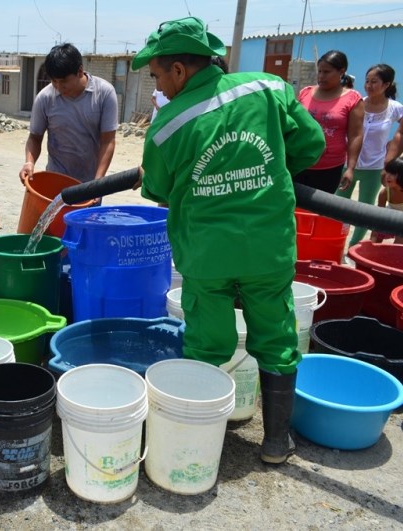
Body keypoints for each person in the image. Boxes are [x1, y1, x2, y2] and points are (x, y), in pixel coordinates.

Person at [132, 16, 326, 464]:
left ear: (179, 70)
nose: (158, 85)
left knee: (207, 340)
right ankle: (277, 442)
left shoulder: (166, 128)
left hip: (206, 255)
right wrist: (264, 171)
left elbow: (158, 189)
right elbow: (311, 144)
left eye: (158, 75)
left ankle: (199, 444)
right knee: (277, 337)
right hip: (267, 247)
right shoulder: (268, 89)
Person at [19, 43, 118, 186]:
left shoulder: (104, 93)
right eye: (54, 81)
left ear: (80, 71)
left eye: (64, 81)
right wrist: (29, 161)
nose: (59, 87)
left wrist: (98, 182)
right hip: (56, 181)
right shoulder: (45, 98)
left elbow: (108, 141)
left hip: (89, 184)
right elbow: (34, 138)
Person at [337, 64, 403, 246]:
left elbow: (400, 133)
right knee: (336, 207)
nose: (368, 85)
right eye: (367, 81)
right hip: (347, 164)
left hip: (374, 169)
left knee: (364, 212)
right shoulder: (357, 103)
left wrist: (390, 160)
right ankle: (335, 244)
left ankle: (353, 248)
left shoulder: (395, 108)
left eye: (374, 82)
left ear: (386, 84)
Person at [294, 50, 364, 194]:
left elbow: (355, 136)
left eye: (326, 72)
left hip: (329, 168)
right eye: (319, 71)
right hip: (299, 163)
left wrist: (350, 168)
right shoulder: (305, 93)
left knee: (320, 211)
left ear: (341, 71)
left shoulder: (352, 99)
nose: (321, 76)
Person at [370, 157, 403, 244]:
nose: (387, 176)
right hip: (390, 217)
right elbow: (378, 218)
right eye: (387, 172)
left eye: (393, 173)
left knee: (399, 245)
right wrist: (372, 243)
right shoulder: (385, 193)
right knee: (376, 238)